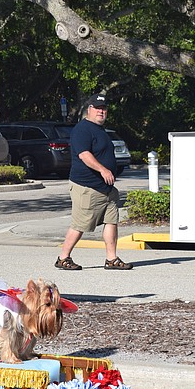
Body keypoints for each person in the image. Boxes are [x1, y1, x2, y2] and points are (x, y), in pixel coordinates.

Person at [55, 93, 132, 271]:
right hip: (87, 186)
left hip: (106, 189)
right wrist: (103, 169)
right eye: (97, 108)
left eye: (104, 108)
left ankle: (111, 259)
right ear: (89, 109)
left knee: (111, 221)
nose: (101, 111)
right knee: (80, 224)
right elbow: (84, 155)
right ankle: (63, 257)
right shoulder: (82, 129)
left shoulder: (100, 130)